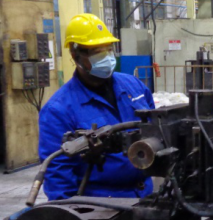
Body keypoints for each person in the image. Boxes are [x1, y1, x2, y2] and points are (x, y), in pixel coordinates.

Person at [38, 14, 155, 200]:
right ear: (76, 56)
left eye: (109, 49)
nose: (107, 57)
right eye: (98, 52)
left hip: (146, 194)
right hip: (103, 204)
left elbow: (155, 131)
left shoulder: (134, 86)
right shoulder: (58, 110)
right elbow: (58, 176)